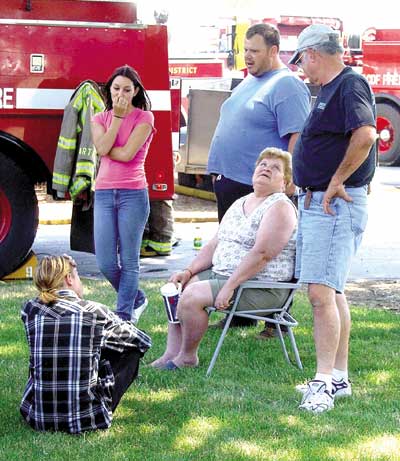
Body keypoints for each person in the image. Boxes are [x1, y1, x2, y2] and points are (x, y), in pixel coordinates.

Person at [289, 24, 377, 413]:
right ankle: (338, 378)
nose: (301, 68)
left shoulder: (349, 84)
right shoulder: (330, 88)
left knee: (320, 294)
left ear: (312, 53)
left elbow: (366, 135)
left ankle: (322, 384)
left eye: (301, 60)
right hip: (322, 202)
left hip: (334, 204)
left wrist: (336, 180)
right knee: (333, 290)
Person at [151, 148, 297, 370]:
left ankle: (187, 358)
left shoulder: (280, 207)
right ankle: (172, 352)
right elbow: (214, 244)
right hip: (226, 276)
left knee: (192, 296)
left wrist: (229, 286)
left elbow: (262, 254)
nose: (266, 168)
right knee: (176, 289)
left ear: (285, 182)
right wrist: (188, 271)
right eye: (263, 164)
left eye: (275, 168)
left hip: (261, 287)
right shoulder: (241, 202)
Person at [206, 23, 310, 330]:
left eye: (255, 51)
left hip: (262, 188)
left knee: (269, 253)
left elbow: (297, 136)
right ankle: (239, 315)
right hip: (232, 182)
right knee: (234, 250)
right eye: (245, 50)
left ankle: (276, 320)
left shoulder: (286, 85)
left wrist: (290, 182)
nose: (247, 57)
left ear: (274, 50)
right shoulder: (250, 80)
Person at [20, 255, 151, 434]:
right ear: (69, 278)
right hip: (86, 420)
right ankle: (100, 405)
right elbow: (142, 341)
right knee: (130, 350)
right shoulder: (95, 312)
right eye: (78, 276)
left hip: (37, 417)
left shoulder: (30, 310)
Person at [91, 65, 155, 322]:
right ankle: (137, 297)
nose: (121, 94)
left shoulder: (145, 118)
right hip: (104, 194)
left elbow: (127, 154)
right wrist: (116, 119)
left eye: (127, 90)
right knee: (106, 263)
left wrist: (107, 148)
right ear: (109, 90)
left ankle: (124, 317)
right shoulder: (99, 118)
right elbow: (101, 148)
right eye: (116, 88)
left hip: (133, 194)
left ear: (135, 91)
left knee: (129, 261)